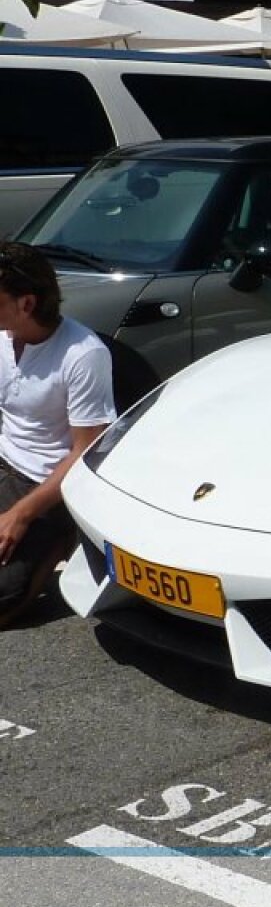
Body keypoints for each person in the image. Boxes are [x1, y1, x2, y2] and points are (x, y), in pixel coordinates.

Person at [0, 242, 114, 627]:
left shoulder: (82, 354)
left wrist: (21, 514)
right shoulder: (3, 335)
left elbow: (85, 452)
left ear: (26, 303)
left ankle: (59, 539)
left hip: (45, 485)